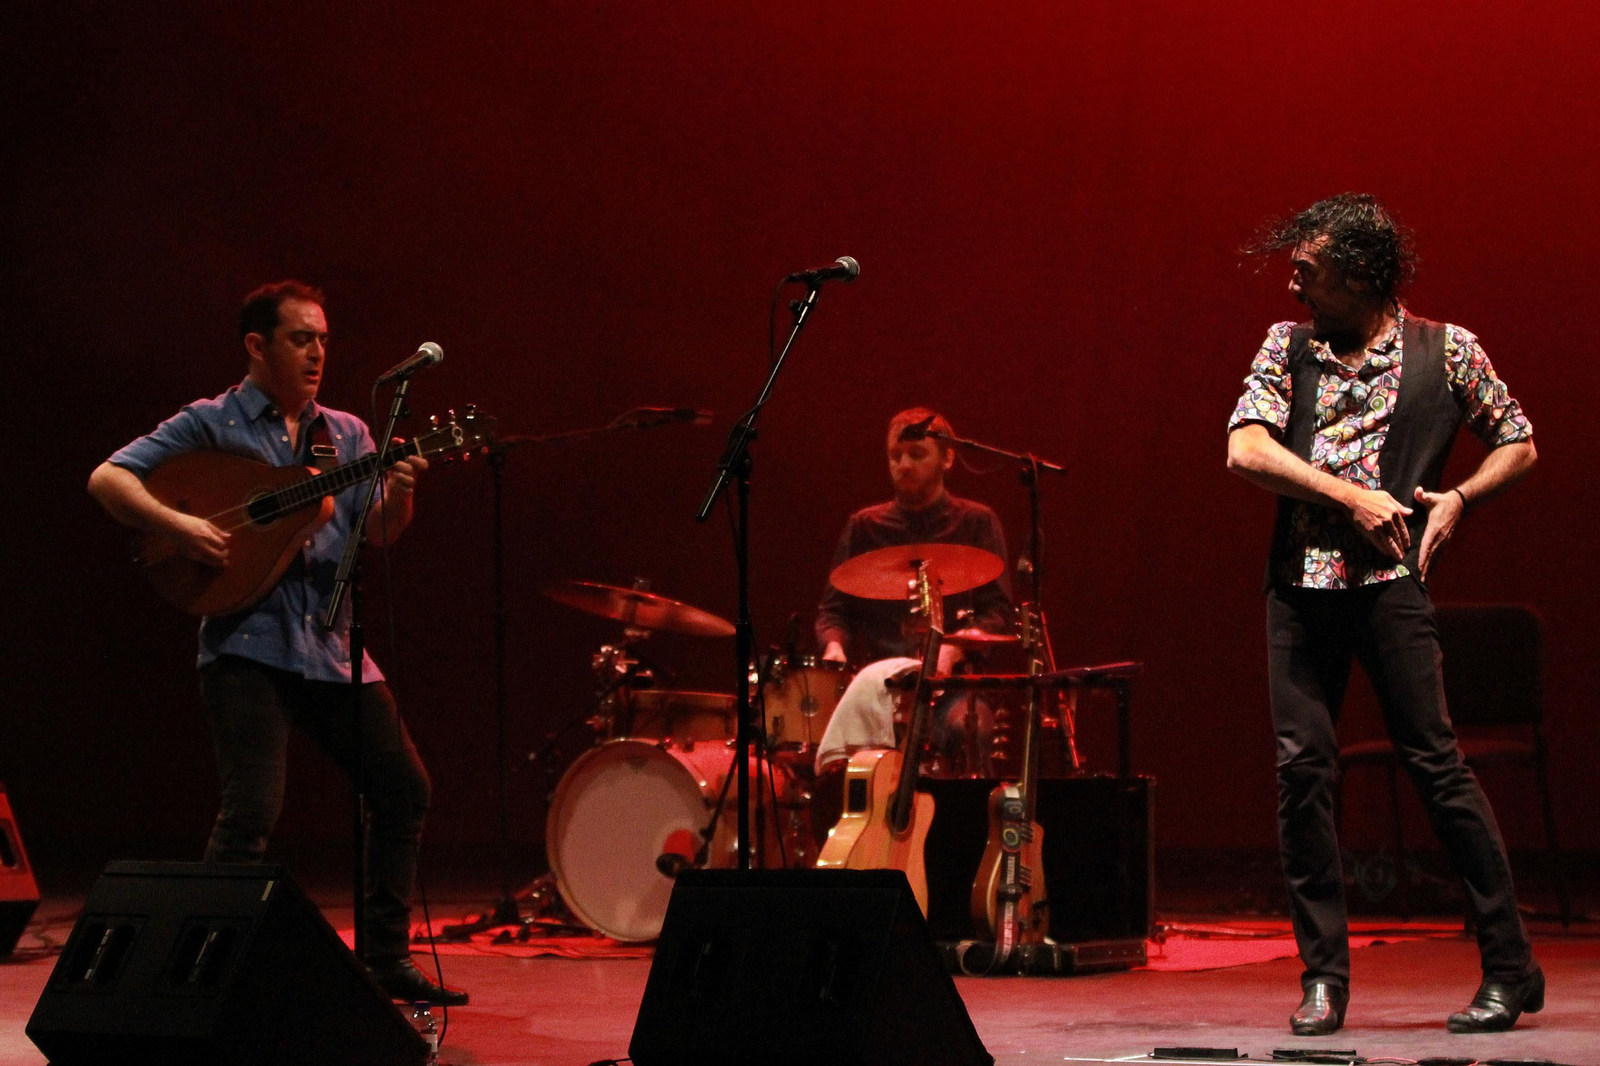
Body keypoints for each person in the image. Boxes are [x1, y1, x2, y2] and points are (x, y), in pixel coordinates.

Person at [86, 280, 466, 1005]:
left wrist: (405, 487)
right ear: (257, 346)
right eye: (301, 338)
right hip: (246, 645)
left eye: (323, 337)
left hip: (329, 642)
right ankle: (198, 971)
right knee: (251, 813)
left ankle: (384, 959)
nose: (318, 351)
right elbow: (108, 478)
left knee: (403, 789)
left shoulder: (349, 435)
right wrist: (180, 526)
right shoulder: (211, 422)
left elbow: (377, 530)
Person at [1226, 194, 1540, 1035]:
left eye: (1311, 262)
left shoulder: (1448, 351)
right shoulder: (1286, 347)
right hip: (1299, 588)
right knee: (1303, 775)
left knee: (1437, 768)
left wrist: (1461, 498)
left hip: (1390, 586)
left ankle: (1512, 968)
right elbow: (1244, 448)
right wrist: (1350, 497)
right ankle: (1324, 977)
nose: (1292, 272)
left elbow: (1520, 439)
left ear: (1362, 275)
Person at [813, 407, 1014, 774]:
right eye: (895, 456)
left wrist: (953, 648)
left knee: (970, 730)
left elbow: (998, 610)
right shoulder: (865, 527)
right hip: (881, 686)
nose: (904, 465)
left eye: (916, 454)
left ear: (947, 457)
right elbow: (834, 610)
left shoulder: (976, 523)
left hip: (954, 686)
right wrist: (834, 646)